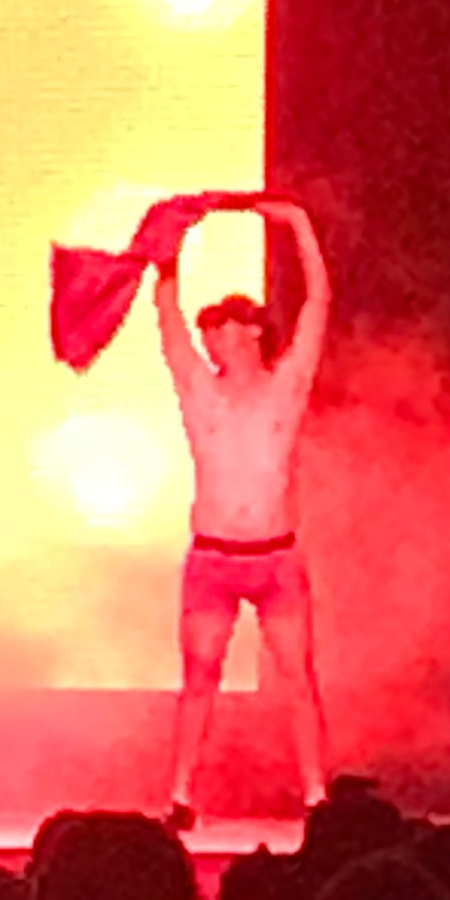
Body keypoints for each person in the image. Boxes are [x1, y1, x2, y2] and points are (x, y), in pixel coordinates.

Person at [154, 200, 330, 829]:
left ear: (252, 331)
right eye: (208, 333)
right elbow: (167, 317)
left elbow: (318, 303)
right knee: (199, 677)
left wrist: (297, 223)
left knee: (298, 677)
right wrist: (169, 242)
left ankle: (317, 797)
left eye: (222, 328)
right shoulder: (199, 391)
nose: (211, 339)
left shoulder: (286, 386)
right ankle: (180, 796)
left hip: (275, 558)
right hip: (214, 557)